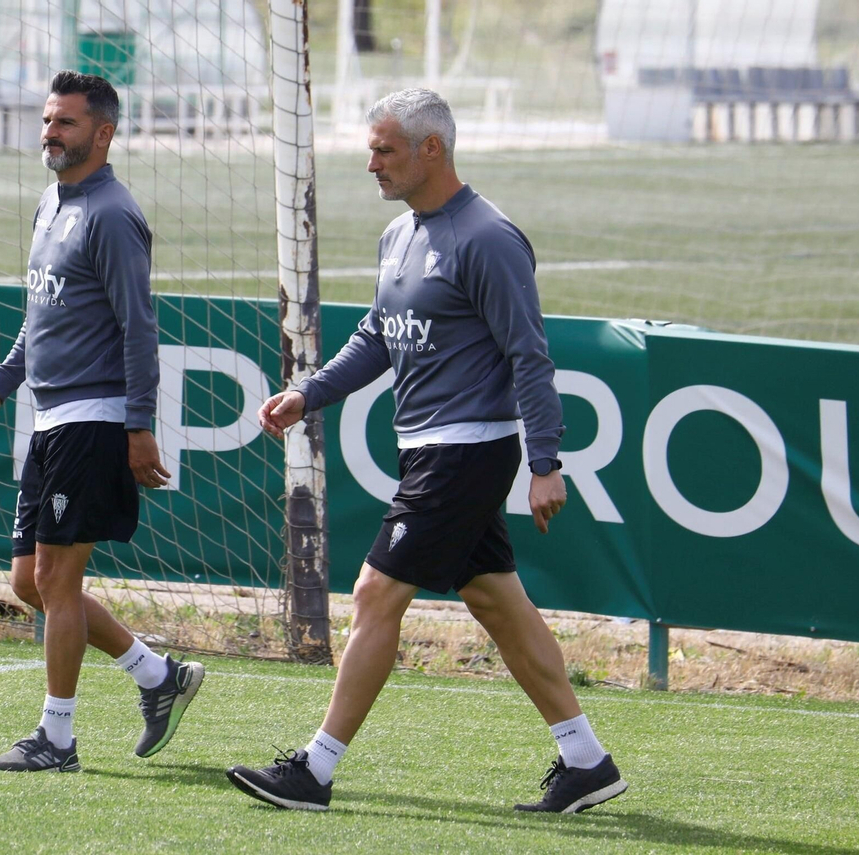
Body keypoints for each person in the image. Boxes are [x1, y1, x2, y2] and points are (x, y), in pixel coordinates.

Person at [225, 88, 626, 813]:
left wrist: (545, 462)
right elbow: (378, 337)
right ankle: (587, 758)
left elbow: (529, 358)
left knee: (378, 591)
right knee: (495, 599)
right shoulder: (399, 235)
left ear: (429, 149)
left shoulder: (489, 238)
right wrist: (308, 393)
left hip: (467, 451)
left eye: (383, 149)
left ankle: (313, 770)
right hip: (429, 450)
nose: (370, 163)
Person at [0, 70, 204, 773]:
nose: (50, 133)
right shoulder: (49, 203)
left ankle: (56, 739)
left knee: (58, 583)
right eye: (46, 120)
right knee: (28, 582)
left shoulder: (114, 215)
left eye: (64, 122)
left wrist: (138, 424)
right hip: (49, 415)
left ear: (103, 132)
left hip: (94, 418)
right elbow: (41, 317)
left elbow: (139, 328)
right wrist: (2, 384)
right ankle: (158, 676)